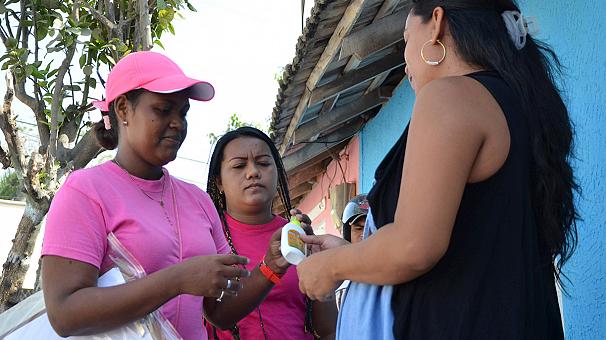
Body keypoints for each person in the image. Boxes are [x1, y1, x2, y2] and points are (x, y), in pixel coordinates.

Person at [296, 1, 577, 339]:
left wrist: (329, 267)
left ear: (437, 24)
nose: (406, 57)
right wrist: (352, 255)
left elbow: (414, 246)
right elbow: (467, 246)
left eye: (406, 39)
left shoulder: (449, 95)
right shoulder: (518, 105)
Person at [41, 51, 291, 339]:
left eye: (182, 112)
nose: (177, 123)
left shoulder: (197, 199)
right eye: (163, 109)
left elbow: (220, 313)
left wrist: (271, 267)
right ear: (123, 109)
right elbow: (64, 314)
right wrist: (177, 280)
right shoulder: (85, 191)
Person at [205, 126, 337, 339]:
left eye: (264, 163)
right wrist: (270, 269)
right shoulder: (206, 235)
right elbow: (215, 316)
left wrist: (320, 264)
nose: (253, 172)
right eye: (239, 166)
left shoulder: (295, 234)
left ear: (277, 172)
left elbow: (327, 328)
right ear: (219, 181)